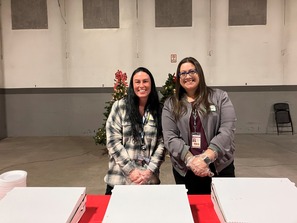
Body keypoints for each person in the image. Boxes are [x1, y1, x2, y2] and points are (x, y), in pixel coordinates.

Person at [162, 57, 236, 194]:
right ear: (178, 78)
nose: (187, 76)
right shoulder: (171, 104)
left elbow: (227, 131)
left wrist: (206, 158)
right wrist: (191, 160)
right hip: (186, 169)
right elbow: (170, 137)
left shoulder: (220, 97)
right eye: (182, 73)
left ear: (199, 73)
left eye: (192, 71)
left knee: (223, 208)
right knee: (191, 210)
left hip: (219, 166)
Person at [104, 67, 165, 195]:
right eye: (137, 82)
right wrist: (131, 171)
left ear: (151, 84)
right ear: (132, 85)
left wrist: (148, 172)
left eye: (145, 81)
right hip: (120, 180)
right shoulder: (120, 107)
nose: (141, 85)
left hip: (148, 181)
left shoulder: (158, 110)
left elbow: (162, 144)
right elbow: (113, 142)